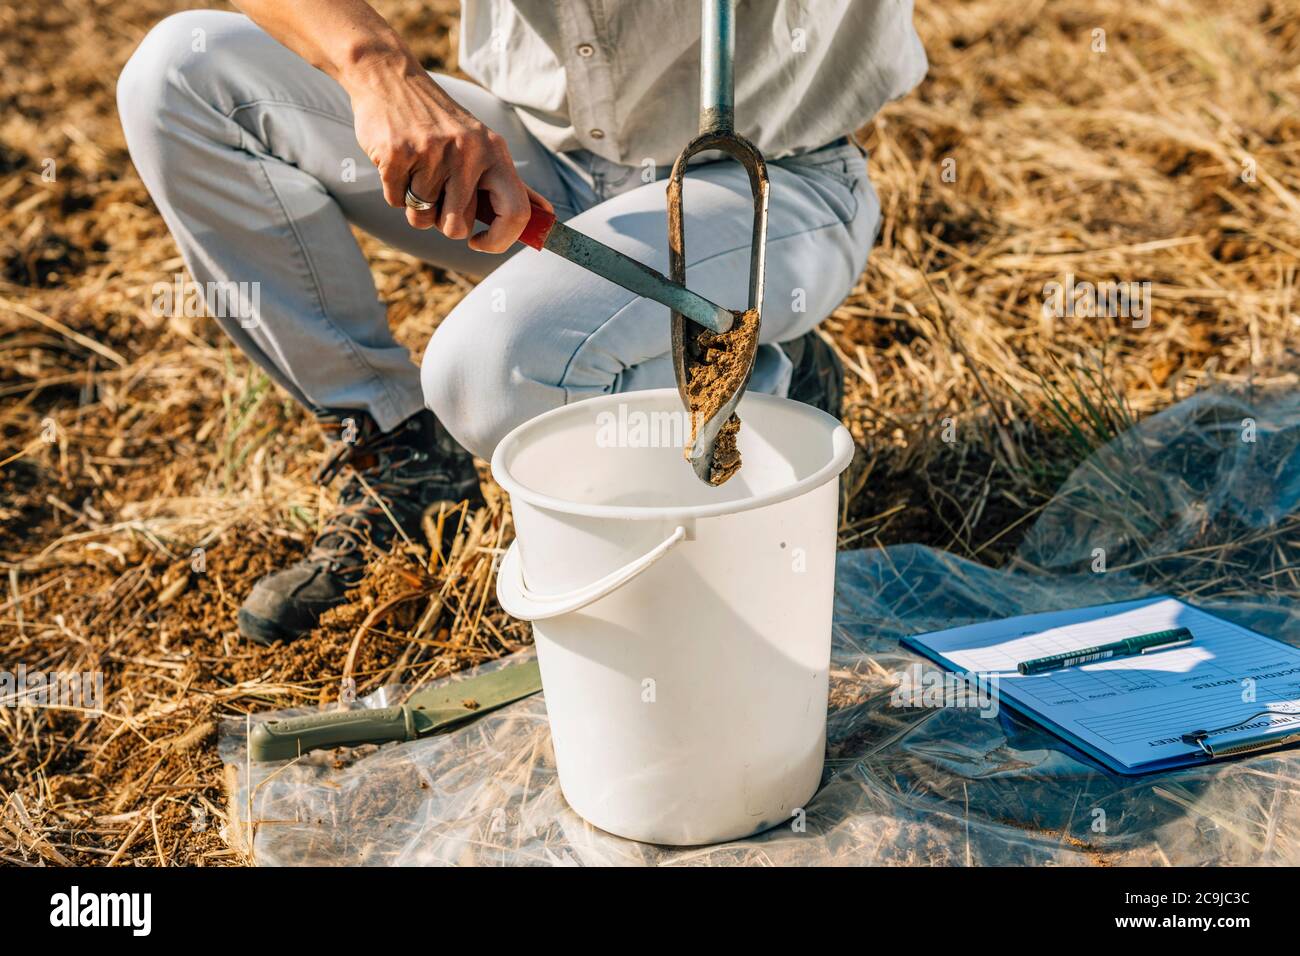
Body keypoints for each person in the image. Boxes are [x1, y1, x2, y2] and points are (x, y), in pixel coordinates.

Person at [116, 1, 927, 644]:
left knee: (488, 376)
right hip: (534, 159)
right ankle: (403, 454)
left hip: (763, 185)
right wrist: (375, 68)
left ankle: (761, 375)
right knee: (181, 75)